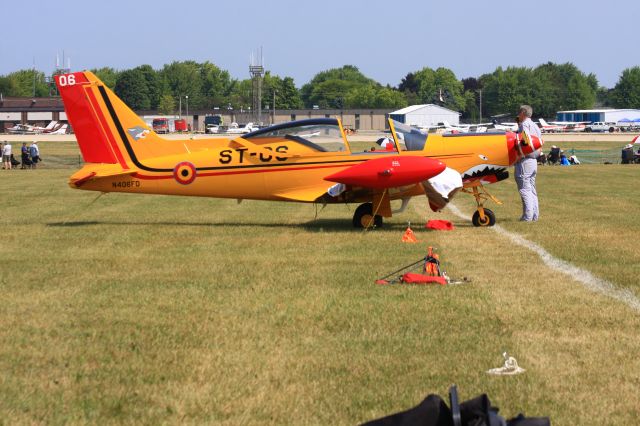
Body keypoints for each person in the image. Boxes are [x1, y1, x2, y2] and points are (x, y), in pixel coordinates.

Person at [514, 105, 541, 222]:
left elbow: (525, 141)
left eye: (519, 113)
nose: (518, 115)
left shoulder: (524, 125)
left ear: (523, 113)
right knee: (531, 189)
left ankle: (527, 216)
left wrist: (520, 154)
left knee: (525, 189)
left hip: (525, 160)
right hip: (534, 160)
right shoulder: (535, 126)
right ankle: (534, 215)